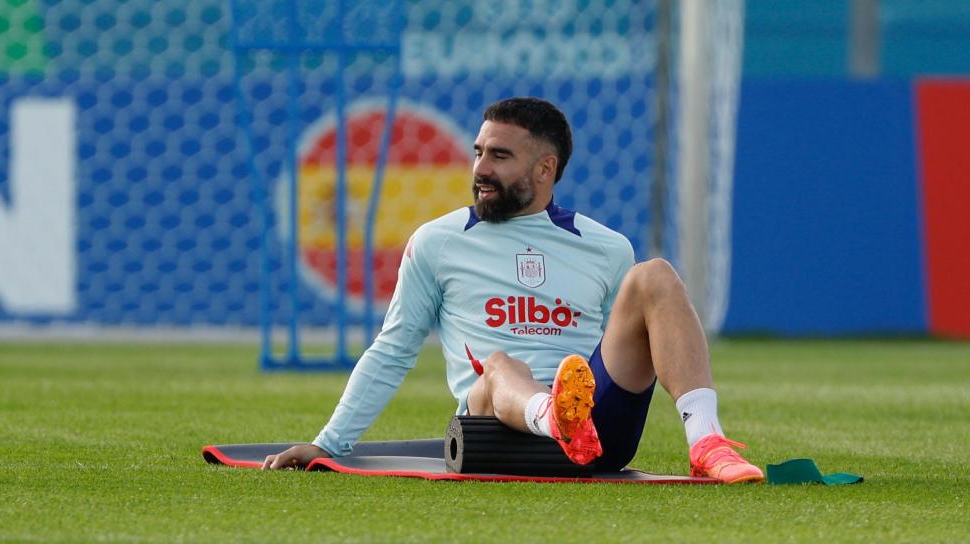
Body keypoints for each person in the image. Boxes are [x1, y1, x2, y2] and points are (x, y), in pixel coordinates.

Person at [263, 97, 763, 483]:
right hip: (492, 431)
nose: (480, 168)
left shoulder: (607, 247)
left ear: (545, 168)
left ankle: (707, 442)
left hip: (597, 437)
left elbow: (624, 352)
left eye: (499, 156)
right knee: (501, 364)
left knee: (656, 275)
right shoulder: (438, 242)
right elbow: (392, 350)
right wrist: (329, 444)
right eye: (478, 152)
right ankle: (553, 415)